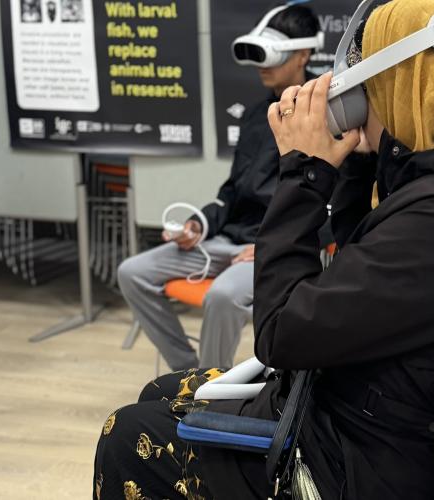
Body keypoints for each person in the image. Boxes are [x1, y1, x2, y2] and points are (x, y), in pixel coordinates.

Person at [94, 0, 434, 498]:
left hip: (351, 462)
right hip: (382, 419)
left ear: (403, 87)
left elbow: (280, 334)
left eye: (371, 89)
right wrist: (358, 159)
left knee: (126, 434)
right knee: (160, 391)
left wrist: (304, 175)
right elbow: (360, 260)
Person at [117, 5, 322, 371]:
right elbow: (233, 191)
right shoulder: (255, 115)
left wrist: (274, 247)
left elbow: (332, 204)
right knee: (132, 272)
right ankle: (192, 374)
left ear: (304, 53)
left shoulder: (326, 114)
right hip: (226, 241)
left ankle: (208, 395)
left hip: (273, 248)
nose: (262, 65)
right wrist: (199, 224)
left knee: (223, 296)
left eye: (271, 54)